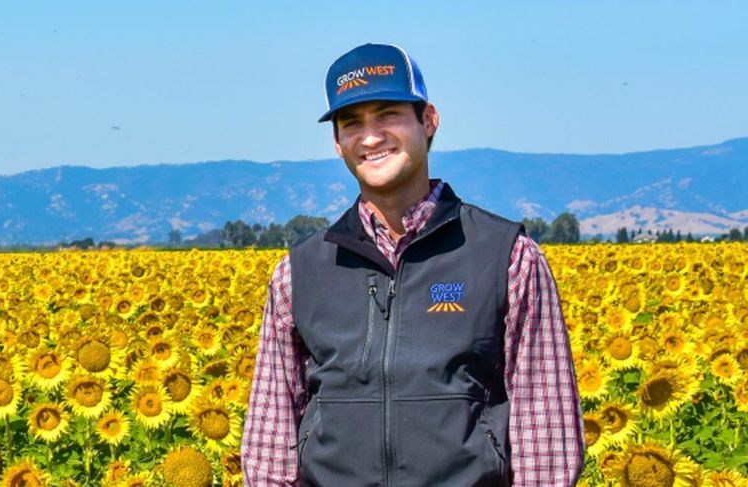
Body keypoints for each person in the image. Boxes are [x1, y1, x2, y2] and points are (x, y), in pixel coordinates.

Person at [239, 43, 584, 485]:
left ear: (429, 120)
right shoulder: (299, 273)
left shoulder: (506, 257)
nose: (370, 136)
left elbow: (546, 440)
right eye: (352, 123)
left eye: (387, 115)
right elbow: (271, 445)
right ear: (338, 144)